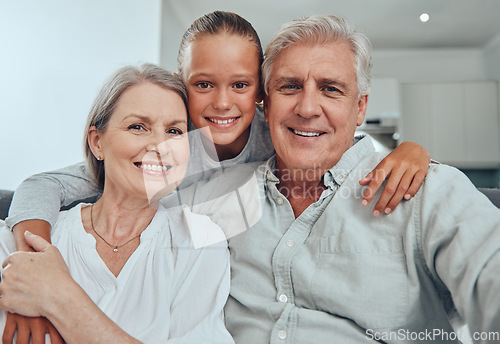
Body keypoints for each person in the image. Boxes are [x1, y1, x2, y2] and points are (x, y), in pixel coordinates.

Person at [3, 12, 499, 344]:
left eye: (330, 88)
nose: (307, 107)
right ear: (269, 100)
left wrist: (413, 151)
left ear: (361, 107)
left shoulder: (422, 190)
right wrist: (35, 271)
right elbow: (59, 185)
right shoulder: (199, 186)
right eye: (288, 87)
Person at [0, 64, 234, 344]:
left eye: (174, 131)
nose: (160, 146)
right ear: (97, 142)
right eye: (138, 127)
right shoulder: (16, 244)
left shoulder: (200, 241)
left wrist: (60, 296)